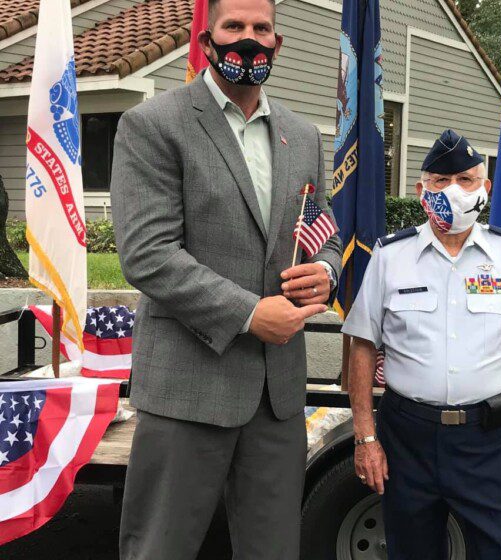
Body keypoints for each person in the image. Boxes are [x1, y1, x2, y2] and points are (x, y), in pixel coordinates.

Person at [110, 0, 342, 558]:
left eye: (261, 28)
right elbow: (147, 253)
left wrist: (327, 271)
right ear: (207, 40)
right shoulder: (152, 124)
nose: (249, 39)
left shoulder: (302, 135)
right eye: (233, 26)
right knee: (160, 548)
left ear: (277, 43)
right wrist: (248, 313)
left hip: (276, 397)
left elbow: (325, 229)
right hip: (188, 386)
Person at [342, 129, 501, 559]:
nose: (453, 191)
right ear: (420, 189)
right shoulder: (391, 256)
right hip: (408, 439)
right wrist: (366, 438)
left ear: (486, 188)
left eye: (465, 180)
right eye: (439, 181)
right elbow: (363, 346)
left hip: (493, 439)